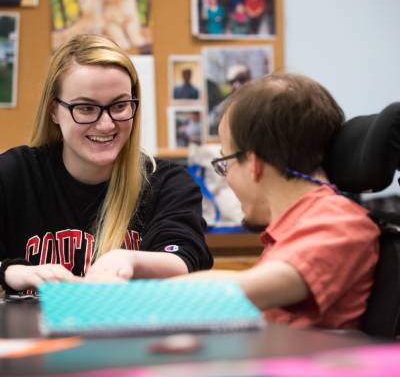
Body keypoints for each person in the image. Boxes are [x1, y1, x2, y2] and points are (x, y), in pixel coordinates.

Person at [0, 34, 213, 294]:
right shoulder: (14, 174)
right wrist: (11, 272)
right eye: (86, 108)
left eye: (120, 105)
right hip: (33, 334)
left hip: (132, 333)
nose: (106, 124)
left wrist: (127, 259)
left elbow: (186, 258)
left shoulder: (167, 183)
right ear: (54, 111)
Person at [175, 73, 380, 330]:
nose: (227, 178)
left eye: (225, 162)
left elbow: (244, 290)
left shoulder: (339, 223)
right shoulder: (298, 227)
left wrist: (142, 295)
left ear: (253, 164)